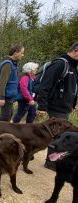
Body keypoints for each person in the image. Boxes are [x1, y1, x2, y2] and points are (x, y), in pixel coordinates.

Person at [36, 42, 78, 170]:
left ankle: (53, 160)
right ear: (76, 51)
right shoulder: (60, 64)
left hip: (65, 106)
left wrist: (73, 104)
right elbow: (45, 85)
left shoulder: (72, 67)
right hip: (56, 106)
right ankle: (51, 162)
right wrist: (42, 106)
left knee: (59, 135)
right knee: (58, 135)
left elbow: (74, 88)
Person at [0, 44, 25, 121]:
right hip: (6, 95)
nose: (23, 55)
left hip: (9, 95)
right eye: (22, 53)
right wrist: (1, 97)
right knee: (5, 116)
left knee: (9, 115)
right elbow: (2, 81)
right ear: (15, 53)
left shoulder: (13, 63)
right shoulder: (8, 64)